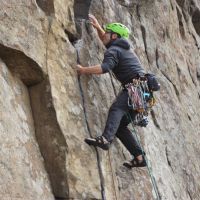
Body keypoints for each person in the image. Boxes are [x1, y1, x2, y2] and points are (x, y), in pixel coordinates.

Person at [76, 14, 147, 168]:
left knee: (117, 108)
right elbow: (107, 40)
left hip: (134, 88)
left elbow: (104, 68)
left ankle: (105, 139)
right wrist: (98, 27)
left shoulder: (114, 50)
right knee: (120, 127)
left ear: (114, 36)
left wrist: (83, 70)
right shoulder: (121, 47)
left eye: (108, 33)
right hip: (143, 93)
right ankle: (139, 157)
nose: (105, 35)